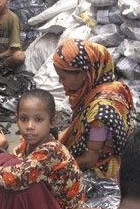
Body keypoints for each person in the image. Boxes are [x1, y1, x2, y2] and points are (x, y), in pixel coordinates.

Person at [52, 38, 134, 180]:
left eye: (63, 77)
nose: (61, 82)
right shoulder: (104, 88)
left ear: (84, 73)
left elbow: (90, 159)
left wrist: (54, 168)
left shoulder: (101, 111)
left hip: (102, 167)